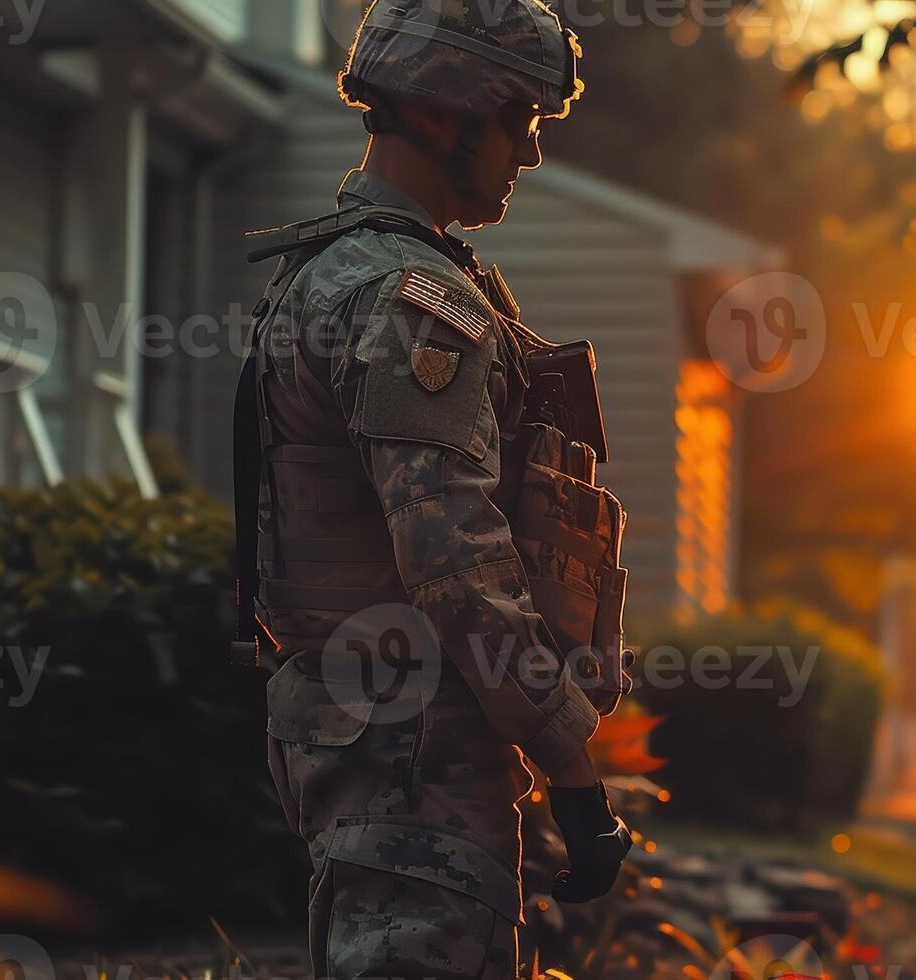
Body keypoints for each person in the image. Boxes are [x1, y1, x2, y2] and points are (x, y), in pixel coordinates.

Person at [231, 1, 630, 976]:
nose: (527, 153)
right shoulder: (411, 303)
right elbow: (455, 568)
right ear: (450, 117)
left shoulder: (336, 272)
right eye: (519, 121)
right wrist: (573, 771)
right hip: (415, 750)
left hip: (375, 734)